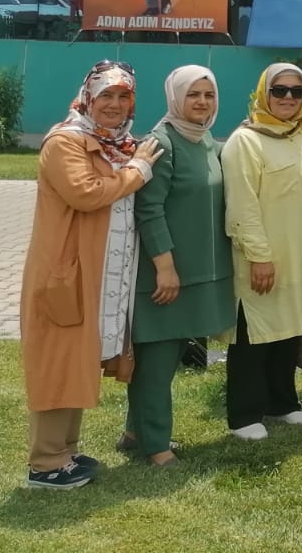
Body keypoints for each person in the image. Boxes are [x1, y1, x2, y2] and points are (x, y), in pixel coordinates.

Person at [19, 61, 163, 489]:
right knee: (58, 362)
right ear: (88, 98)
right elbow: (85, 194)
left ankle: (65, 452)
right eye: (106, 97)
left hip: (97, 273)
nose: (115, 105)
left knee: (77, 358)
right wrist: (135, 172)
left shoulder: (120, 144)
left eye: (124, 97)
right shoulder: (66, 142)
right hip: (66, 272)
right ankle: (45, 464)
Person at [123, 66, 235, 467]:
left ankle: (135, 431)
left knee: (164, 362)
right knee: (156, 362)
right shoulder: (162, 143)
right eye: (193, 95)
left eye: (208, 94)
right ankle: (156, 448)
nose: (202, 102)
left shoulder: (207, 141)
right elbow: (148, 210)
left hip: (199, 271)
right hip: (165, 273)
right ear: (175, 97)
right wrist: (165, 268)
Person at [221, 63, 302, 440]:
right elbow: (242, 204)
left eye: (296, 92)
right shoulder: (245, 141)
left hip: (300, 255)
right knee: (253, 334)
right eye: (278, 90)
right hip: (260, 255)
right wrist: (258, 256)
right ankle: (244, 414)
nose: (287, 98)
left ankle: (282, 403)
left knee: (290, 328)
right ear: (263, 93)